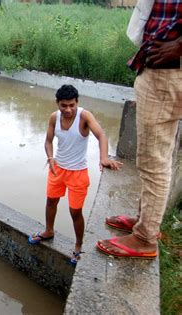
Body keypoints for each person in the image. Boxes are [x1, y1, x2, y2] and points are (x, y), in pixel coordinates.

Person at [97, 0, 181, 259]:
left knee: (153, 161)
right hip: (160, 67)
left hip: (168, 71)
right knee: (154, 156)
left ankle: (145, 238)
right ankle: (145, 220)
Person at [28, 85, 122, 265]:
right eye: (64, 105)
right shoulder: (54, 117)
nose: (68, 109)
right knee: (50, 202)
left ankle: (78, 245)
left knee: (75, 211)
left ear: (77, 102)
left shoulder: (84, 116)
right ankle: (49, 231)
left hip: (78, 172)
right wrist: (50, 157)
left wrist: (103, 157)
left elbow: (101, 135)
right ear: (57, 104)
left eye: (72, 105)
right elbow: (48, 141)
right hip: (57, 169)